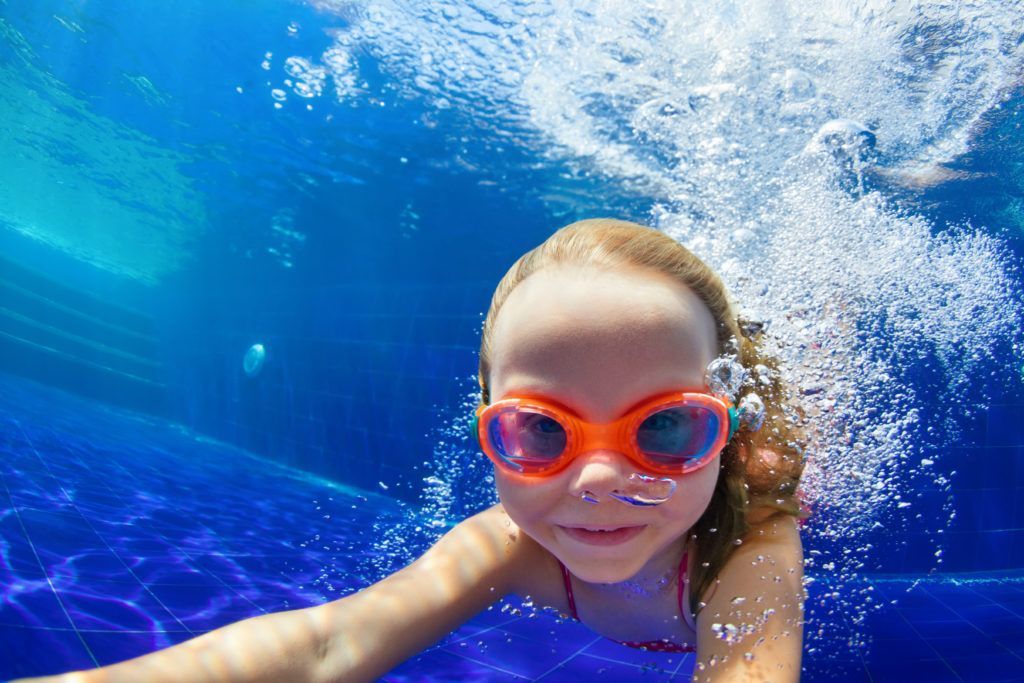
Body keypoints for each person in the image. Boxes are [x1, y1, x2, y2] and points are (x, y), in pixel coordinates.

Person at [17, 218, 808, 683]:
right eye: (540, 430)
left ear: (723, 427)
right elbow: (331, 640)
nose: (599, 478)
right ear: (489, 429)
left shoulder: (749, 539)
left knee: (803, 431)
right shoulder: (508, 547)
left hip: (769, 471)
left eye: (668, 426)